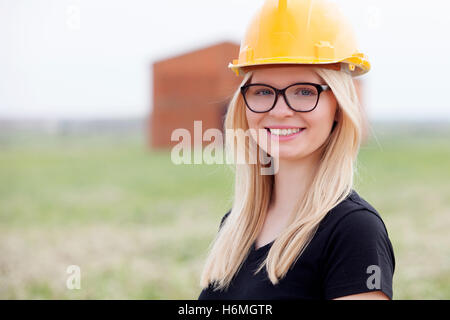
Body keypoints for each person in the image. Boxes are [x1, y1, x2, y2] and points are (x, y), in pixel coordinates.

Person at [198, 0, 395, 300]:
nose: (280, 111)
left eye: (304, 91)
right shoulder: (236, 225)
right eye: (263, 91)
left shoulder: (354, 232)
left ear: (339, 107)